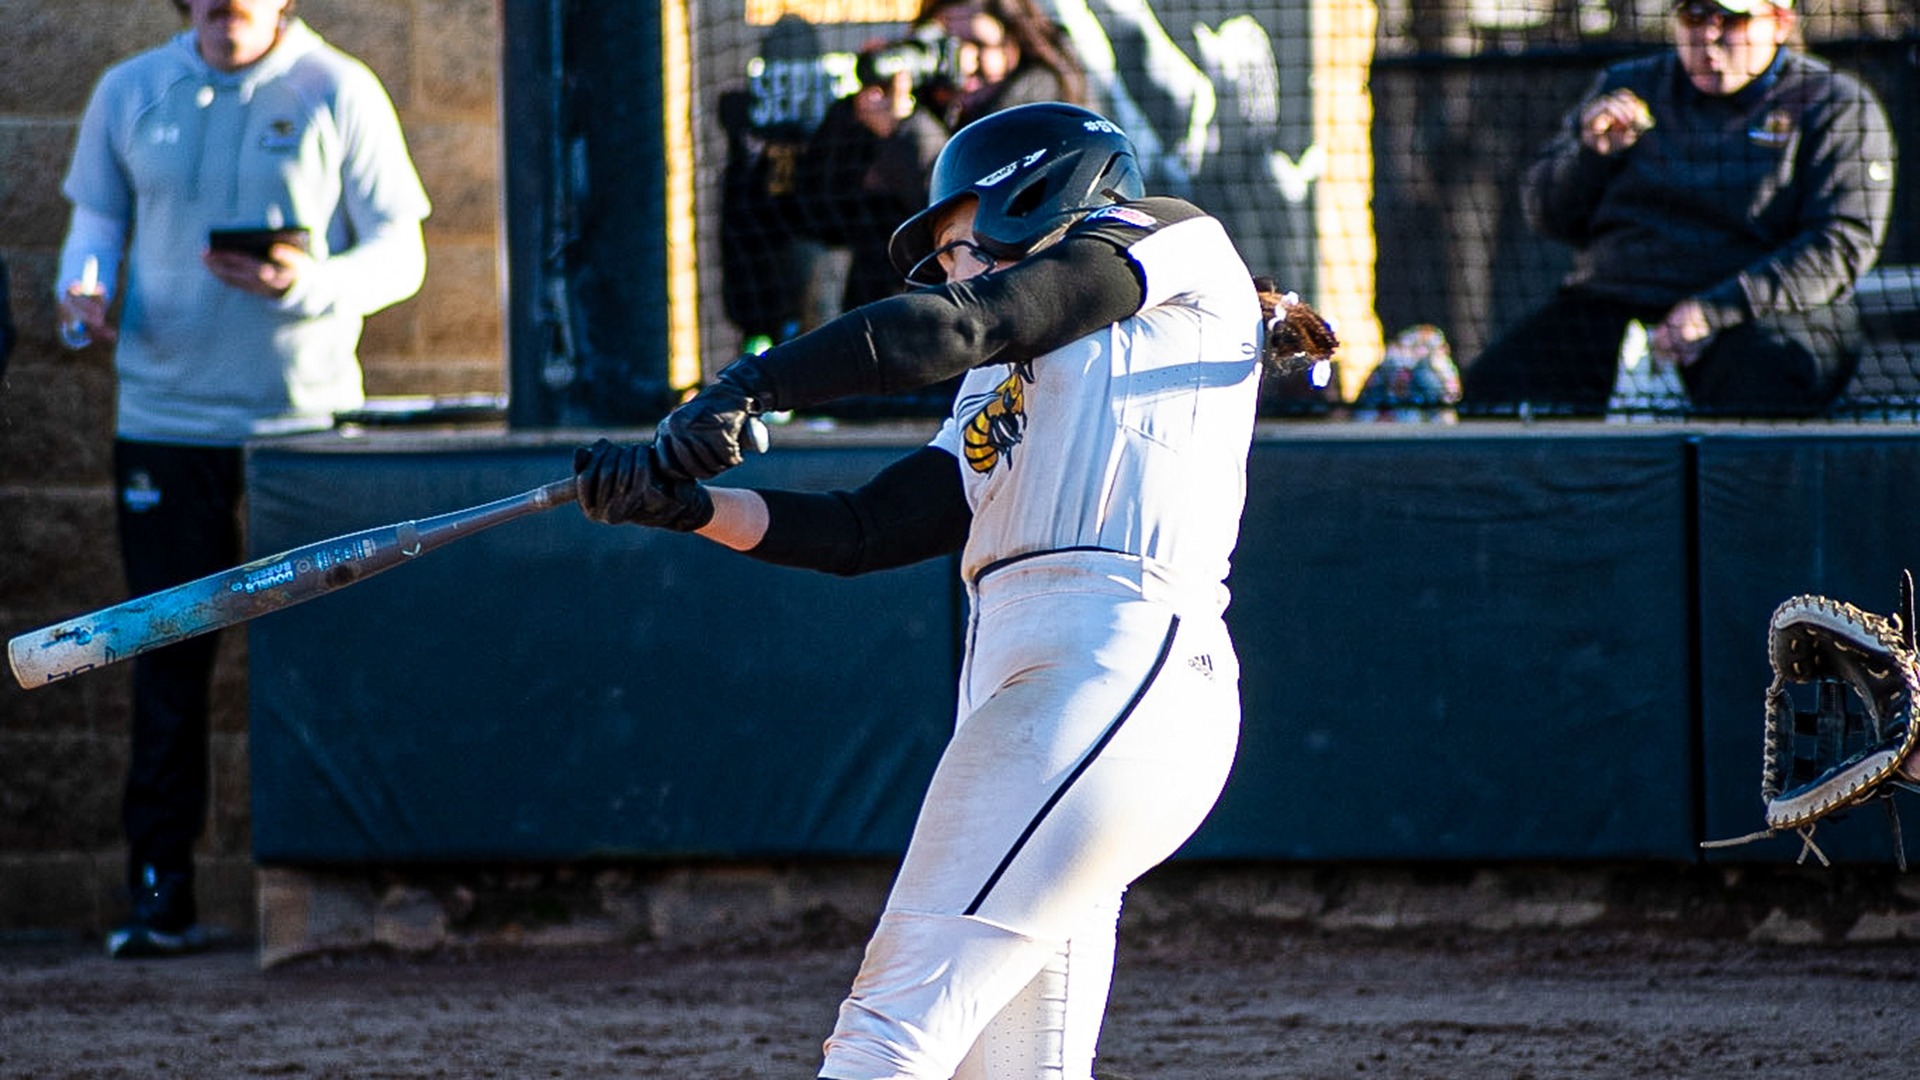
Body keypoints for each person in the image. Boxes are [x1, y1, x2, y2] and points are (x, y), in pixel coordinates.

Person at [573, 102, 1310, 1080]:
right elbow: (864, 530)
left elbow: (980, 318)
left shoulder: (1172, 241)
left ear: (1037, 192)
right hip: (1034, 686)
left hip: (1117, 662)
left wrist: (748, 383)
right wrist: (689, 507)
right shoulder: (995, 388)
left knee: (890, 1030)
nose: (952, 268)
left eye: (959, 242)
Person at [55, 0, 430, 958]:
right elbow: (98, 218)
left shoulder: (338, 87)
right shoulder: (129, 90)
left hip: (299, 429)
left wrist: (305, 285)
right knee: (168, 658)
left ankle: (335, 907)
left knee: (312, 660)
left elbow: (400, 254)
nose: (227, 13)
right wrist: (83, 292)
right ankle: (159, 901)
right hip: (162, 425)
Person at [1461, 0, 1896, 418]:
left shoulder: (1836, 105)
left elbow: (1839, 245)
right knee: (1488, 397)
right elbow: (1548, 214)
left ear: (1780, 23)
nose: (1708, 35)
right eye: (1694, 16)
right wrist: (1590, 156)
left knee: (1767, 387)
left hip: (1760, 317)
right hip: (1615, 304)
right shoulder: (1628, 86)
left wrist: (1715, 310)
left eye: (1732, 20)